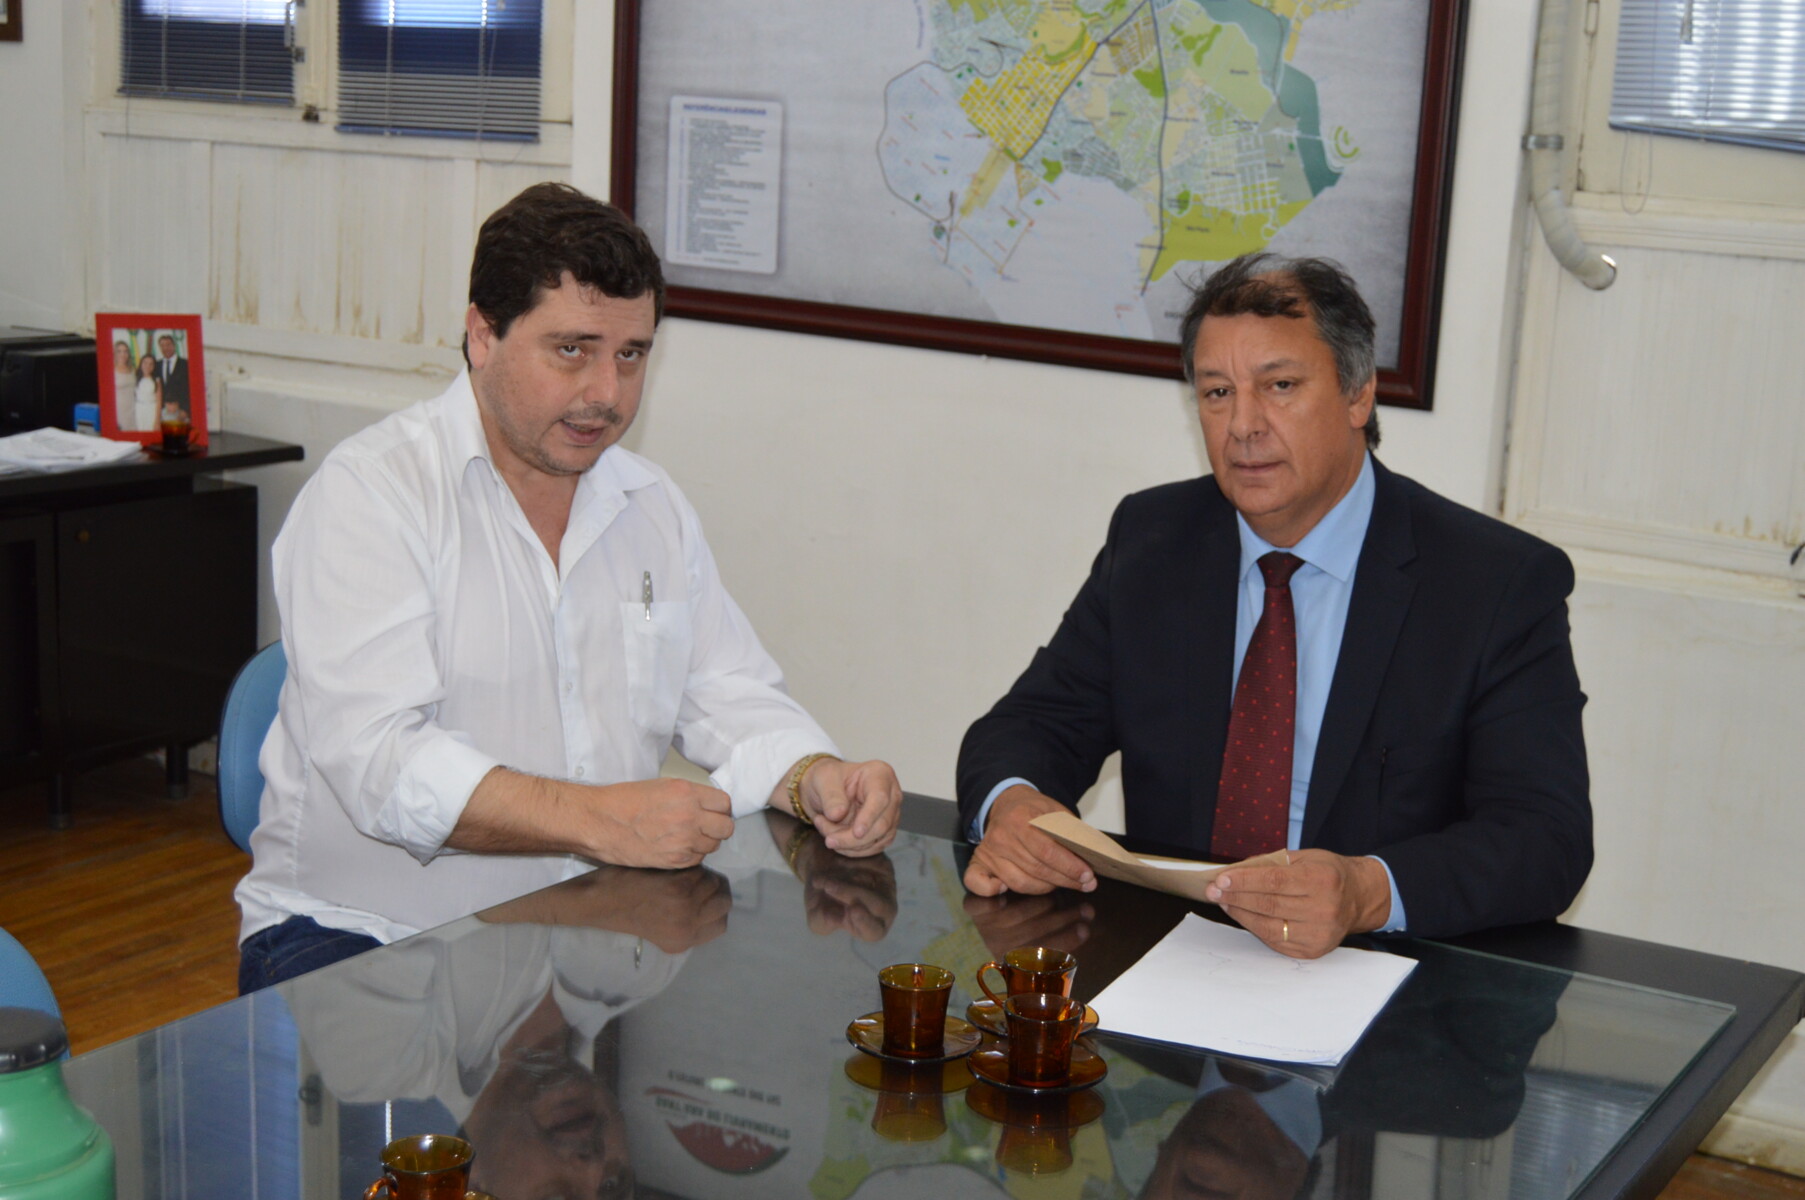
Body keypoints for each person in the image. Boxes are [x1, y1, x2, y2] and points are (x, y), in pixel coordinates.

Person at [235, 182, 903, 991]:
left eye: (630, 355)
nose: (607, 394)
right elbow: (382, 765)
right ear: (482, 335)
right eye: (572, 350)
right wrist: (600, 819)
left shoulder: (649, 505)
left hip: (587, 935)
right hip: (367, 937)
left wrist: (812, 774)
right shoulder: (371, 496)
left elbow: (726, 689)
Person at [956, 252, 1591, 958]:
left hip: (1381, 972)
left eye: (1279, 386)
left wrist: (1367, 890)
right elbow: (1033, 724)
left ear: (1358, 395)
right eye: (1217, 392)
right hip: (1176, 960)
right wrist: (1012, 804)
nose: (1242, 425)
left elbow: (1545, 837)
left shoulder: (1494, 583)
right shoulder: (1154, 540)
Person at [155, 333, 189, 416]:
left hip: (181, 412)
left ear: (174, 346)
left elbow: (190, 388)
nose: (165, 348)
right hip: (161, 412)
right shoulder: (157, 365)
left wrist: (186, 410)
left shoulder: (185, 364)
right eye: (162, 345)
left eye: (168, 345)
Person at [111, 341, 138, 430]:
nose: (123, 354)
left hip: (134, 409)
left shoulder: (133, 369)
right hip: (119, 411)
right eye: (119, 351)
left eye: (125, 351)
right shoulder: (111, 370)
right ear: (115, 353)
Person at [132, 353, 160, 433]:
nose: (148, 366)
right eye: (145, 363)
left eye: (151, 364)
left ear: (154, 366)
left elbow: (159, 401)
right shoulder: (135, 377)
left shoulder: (156, 380)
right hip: (138, 409)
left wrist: (157, 421)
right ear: (141, 364)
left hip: (151, 410)